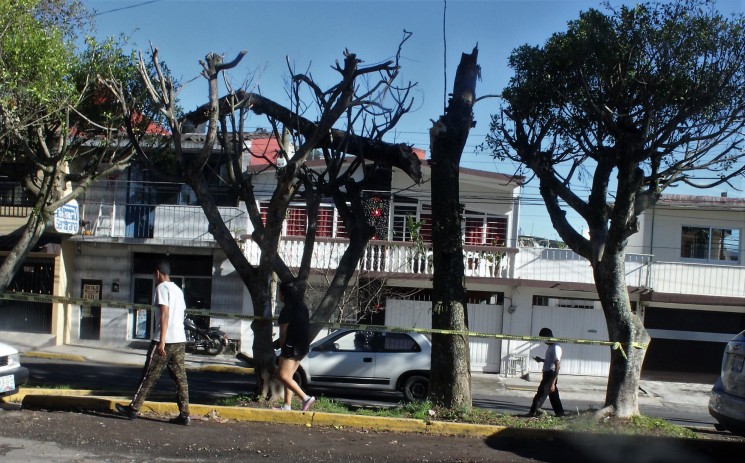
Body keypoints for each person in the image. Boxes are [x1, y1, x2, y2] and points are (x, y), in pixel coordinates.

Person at [116, 260, 191, 425]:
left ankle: (133, 409)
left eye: (154, 274)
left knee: (149, 375)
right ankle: (185, 414)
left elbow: (165, 314)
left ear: (157, 273)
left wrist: (162, 340)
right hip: (179, 339)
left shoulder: (161, 288)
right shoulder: (178, 290)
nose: (154, 277)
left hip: (163, 339)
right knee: (180, 379)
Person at [275, 279, 315, 412]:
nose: (278, 295)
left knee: (283, 376)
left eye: (279, 292)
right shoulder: (302, 307)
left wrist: (282, 348)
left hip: (290, 347)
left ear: (283, 294)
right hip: (302, 347)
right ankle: (287, 405)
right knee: (289, 377)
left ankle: (305, 398)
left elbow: (283, 333)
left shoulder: (287, 310)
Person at [527, 327, 565, 417]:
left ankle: (532, 412)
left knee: (540, 395)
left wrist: (552, 382)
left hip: (550, 375)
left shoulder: (555, 347)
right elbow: (551, 361)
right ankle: (560, 414)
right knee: (553, 396)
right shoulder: (551, 346)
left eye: (543, 339)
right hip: (548, 374)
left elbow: (557, 366)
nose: (543, 341)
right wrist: (541, 360)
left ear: (547, 336)